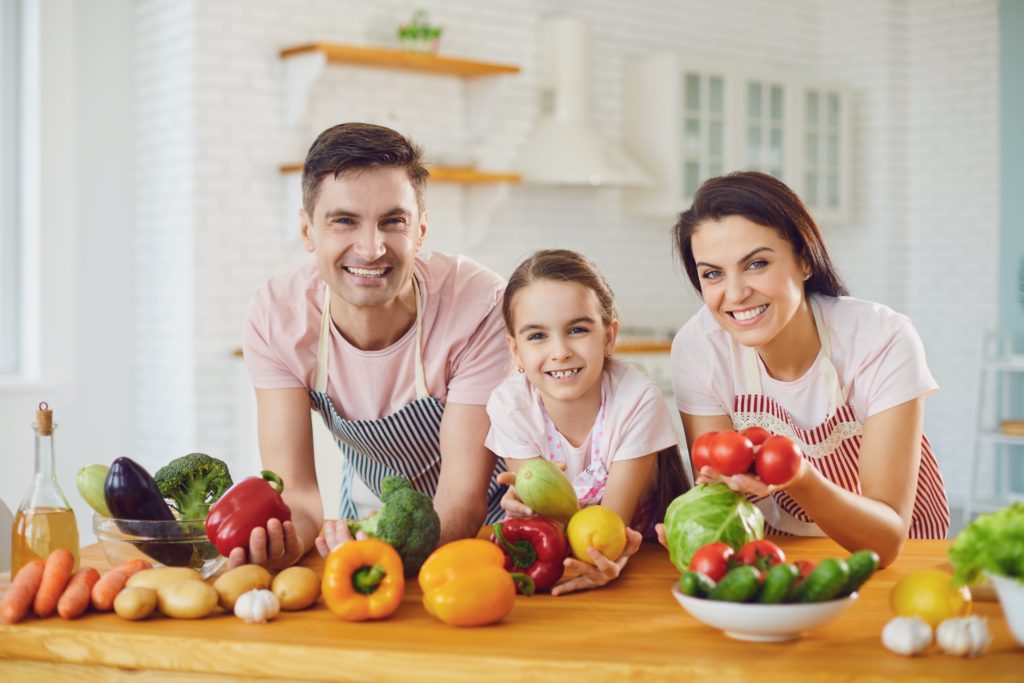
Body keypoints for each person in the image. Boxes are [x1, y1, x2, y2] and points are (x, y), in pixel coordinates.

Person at [238, 122, 510, 568]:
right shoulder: (277, 318)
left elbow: (462, 496)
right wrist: (287, 544)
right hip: (369, 528)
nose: (370, 248)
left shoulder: (478, 305)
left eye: (393, 222)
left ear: (420, 230)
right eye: (344, 221)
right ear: (308, 231)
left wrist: (381, 556)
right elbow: (299, 494)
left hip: (483, 537)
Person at [667, 171, 949, 567]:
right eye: (712, 273)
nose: (734, 293)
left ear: (804, 259)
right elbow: (724, 492)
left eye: (756, 264)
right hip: (776, 556)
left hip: (895, 555)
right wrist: (691, 526)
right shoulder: (699, 348)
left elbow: (885, 540)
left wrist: (799, 478)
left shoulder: (880, 339)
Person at [487, 249, 690, 594]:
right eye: (537, 336)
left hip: (644, 567)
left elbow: (609, 528)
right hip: (558, 563)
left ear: (609, 337)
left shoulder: (637, 399)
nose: (560, 351)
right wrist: (524, 510)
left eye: (577, 329)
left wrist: (597, 558)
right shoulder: (510, 406)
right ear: (516, 350)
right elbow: (545, 519)